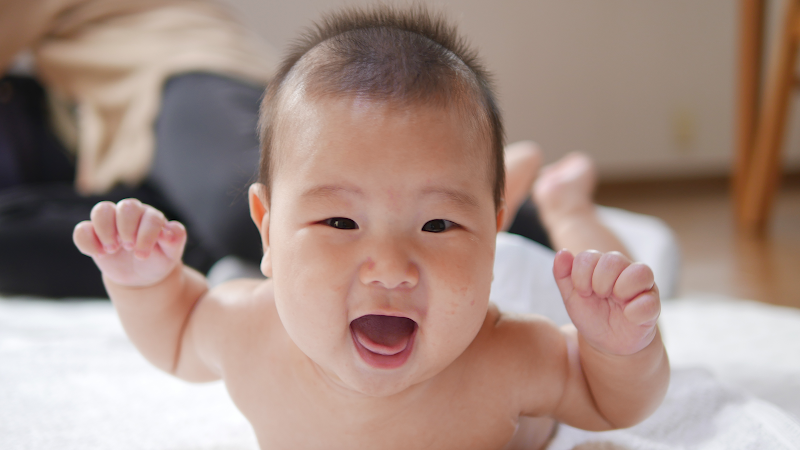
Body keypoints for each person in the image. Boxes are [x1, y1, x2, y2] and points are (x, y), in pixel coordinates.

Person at [72, 6, 668, 449]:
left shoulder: (507, 353)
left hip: (504, 280)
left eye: (436, 221)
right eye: (339, 220)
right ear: (269, 230)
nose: (389, 267)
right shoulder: (248, 332)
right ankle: (497, 191)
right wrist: (144, 282)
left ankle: (567, 209)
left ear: (487, 231)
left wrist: (617, 344)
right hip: (463, 265)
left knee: (595, 284)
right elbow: (177, 336)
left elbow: (606, 399)